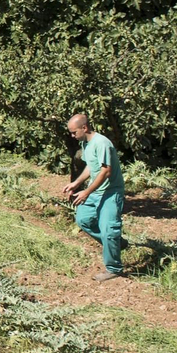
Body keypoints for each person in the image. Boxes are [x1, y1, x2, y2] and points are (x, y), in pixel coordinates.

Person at [61, 112, 125, 281]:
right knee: (83, 220)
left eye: (74, 132)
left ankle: (114, 268)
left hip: (110, 192)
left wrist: (86, 192)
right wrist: (76, 183)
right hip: (95, 191)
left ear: (85, 127)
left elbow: (106, 171)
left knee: (109, 230)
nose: (72, 136)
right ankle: (117, 244)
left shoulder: (102, 143)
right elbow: (91, 167)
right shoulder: (86, 144)